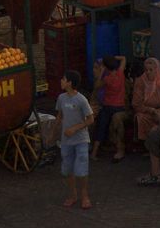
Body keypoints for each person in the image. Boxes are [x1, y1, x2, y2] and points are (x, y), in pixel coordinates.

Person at [54, 70, 94, 210]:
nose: (61, 81)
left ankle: (84, 195)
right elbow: (59, 115)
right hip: (66, 141)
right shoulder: (61, 98)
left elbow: (90, 119)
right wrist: (54, 132)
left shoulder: (81, 100)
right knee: (67, 169)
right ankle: (72, 194)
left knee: (81, 169)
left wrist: (75, 128)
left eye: (64, 79)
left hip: (81, 139)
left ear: (70, 83)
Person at [90, 55, 127, 162]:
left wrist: (102, 72)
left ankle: (94, 152)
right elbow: (124, 59)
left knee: (101, 127)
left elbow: (97, 85)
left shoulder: (107, 79)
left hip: (107, 107)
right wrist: (113, 58)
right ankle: (119, 150)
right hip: (119, 107)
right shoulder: (120, 73)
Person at [132, 57, 160, 142]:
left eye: (151, 70)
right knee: (140, 118)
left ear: (157, 69)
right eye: (146, 70)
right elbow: (136, 103)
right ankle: (146, 145)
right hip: (147, 111)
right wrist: (151, 110)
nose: (148, 72)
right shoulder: (140, 81)